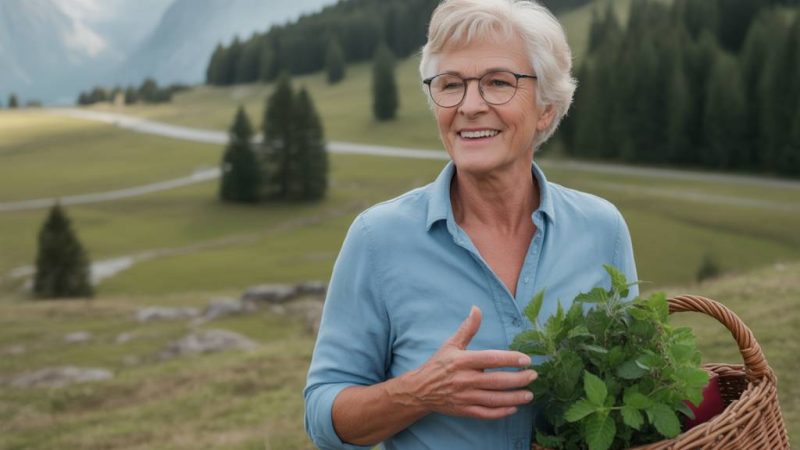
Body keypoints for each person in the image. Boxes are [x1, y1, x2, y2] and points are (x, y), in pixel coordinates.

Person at [304, 0, 638, 448]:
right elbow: (323, 417)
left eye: (498, 82)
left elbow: (631, 385)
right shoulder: (377, 238)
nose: (470, 105)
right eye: (451, 84)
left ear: (545, 107)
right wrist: (419, 392)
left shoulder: (602, 229)